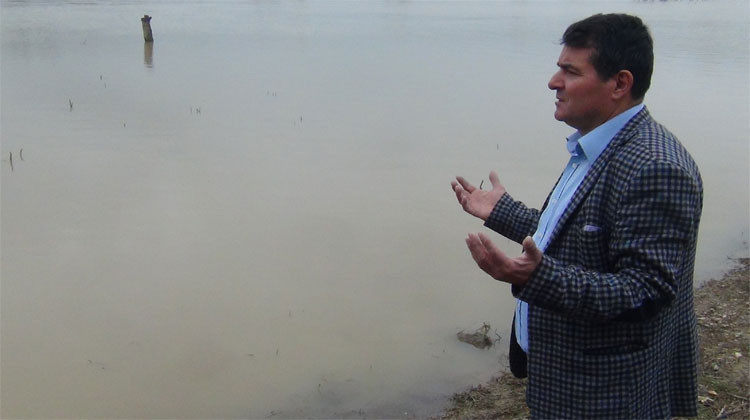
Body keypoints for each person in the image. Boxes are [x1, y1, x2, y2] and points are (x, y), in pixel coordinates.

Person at [451, 14, 703, 419]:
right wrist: (503, 211)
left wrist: (536, 278)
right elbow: (577, 236)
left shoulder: (655, 167)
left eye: (570, 71)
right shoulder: (595, 146)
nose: (554, 82)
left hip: (607, 396)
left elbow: (645, 291)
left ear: (620, 84)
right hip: (564, 378)